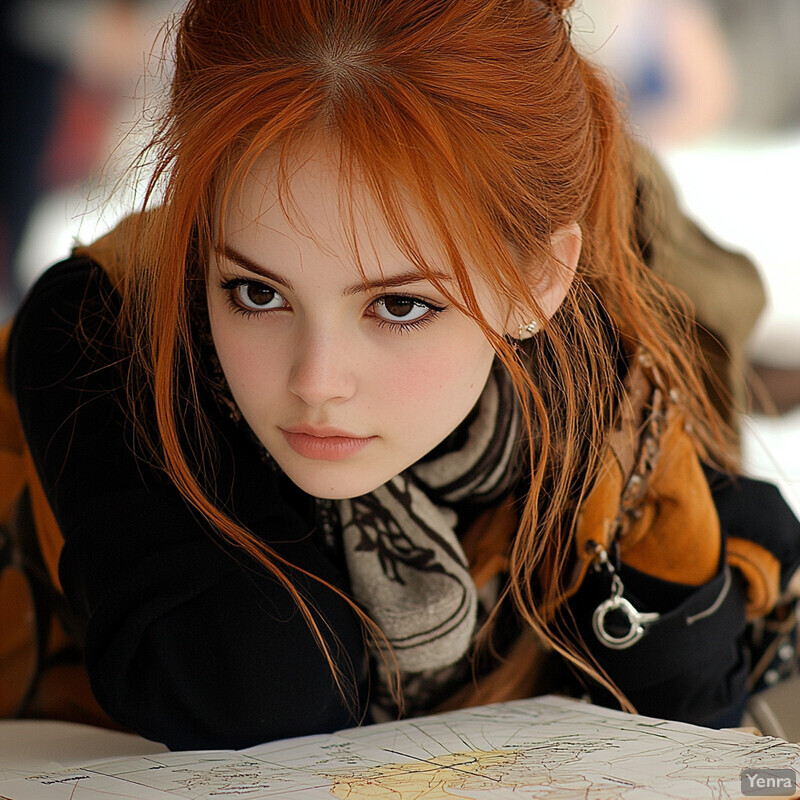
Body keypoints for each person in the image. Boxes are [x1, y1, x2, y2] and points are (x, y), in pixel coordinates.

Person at [5, 0, 800, 751]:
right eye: (256, 292)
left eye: (398, 307)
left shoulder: (606, 369)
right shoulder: (104, 333)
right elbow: (254, 685)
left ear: (542, 282)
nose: (317, 382)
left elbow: (690, 713)